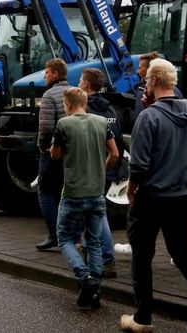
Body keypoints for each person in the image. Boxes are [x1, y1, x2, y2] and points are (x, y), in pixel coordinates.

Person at [121, 58, 187, 333]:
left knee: (142, 257)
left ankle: (143, 318)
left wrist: (132, 188)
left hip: (150, 197)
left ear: (155, 82)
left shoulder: (148, 117)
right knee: (183, 254)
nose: (145, 84)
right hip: (180, 197)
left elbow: (140, 164)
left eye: (146, 80)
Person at [51, 86, 118, 310]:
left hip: (73, 193)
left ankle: (84, 276)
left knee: (65, 238)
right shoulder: (101, 122)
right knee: (95, 241)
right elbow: (115, 153)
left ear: (67, 105)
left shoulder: (64, 124)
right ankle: (96, 291)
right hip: (96, 192)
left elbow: (55, 155)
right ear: (85, 103)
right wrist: (102, 168)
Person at [79, 67, 124, 279]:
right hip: (107, 169)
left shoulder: (85, 110)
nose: (79, 83)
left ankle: (107, 259)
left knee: (98, 214)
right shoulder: (110, 110)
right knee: (93, 213)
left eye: (80, 80)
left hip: (90, 171)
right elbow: (117, 145)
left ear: (86, 85)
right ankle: (89, 249)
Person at [36, 58, 70, 251]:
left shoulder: (49, 96)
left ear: (56, 74)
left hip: (52, 151)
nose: (45, 75)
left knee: (45, 192)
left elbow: (47, 127)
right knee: (64, 192)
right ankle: (70, 234)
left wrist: (42, 147)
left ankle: (55, 234)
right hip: (71, 152)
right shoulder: (75, 92)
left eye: (47, 72)